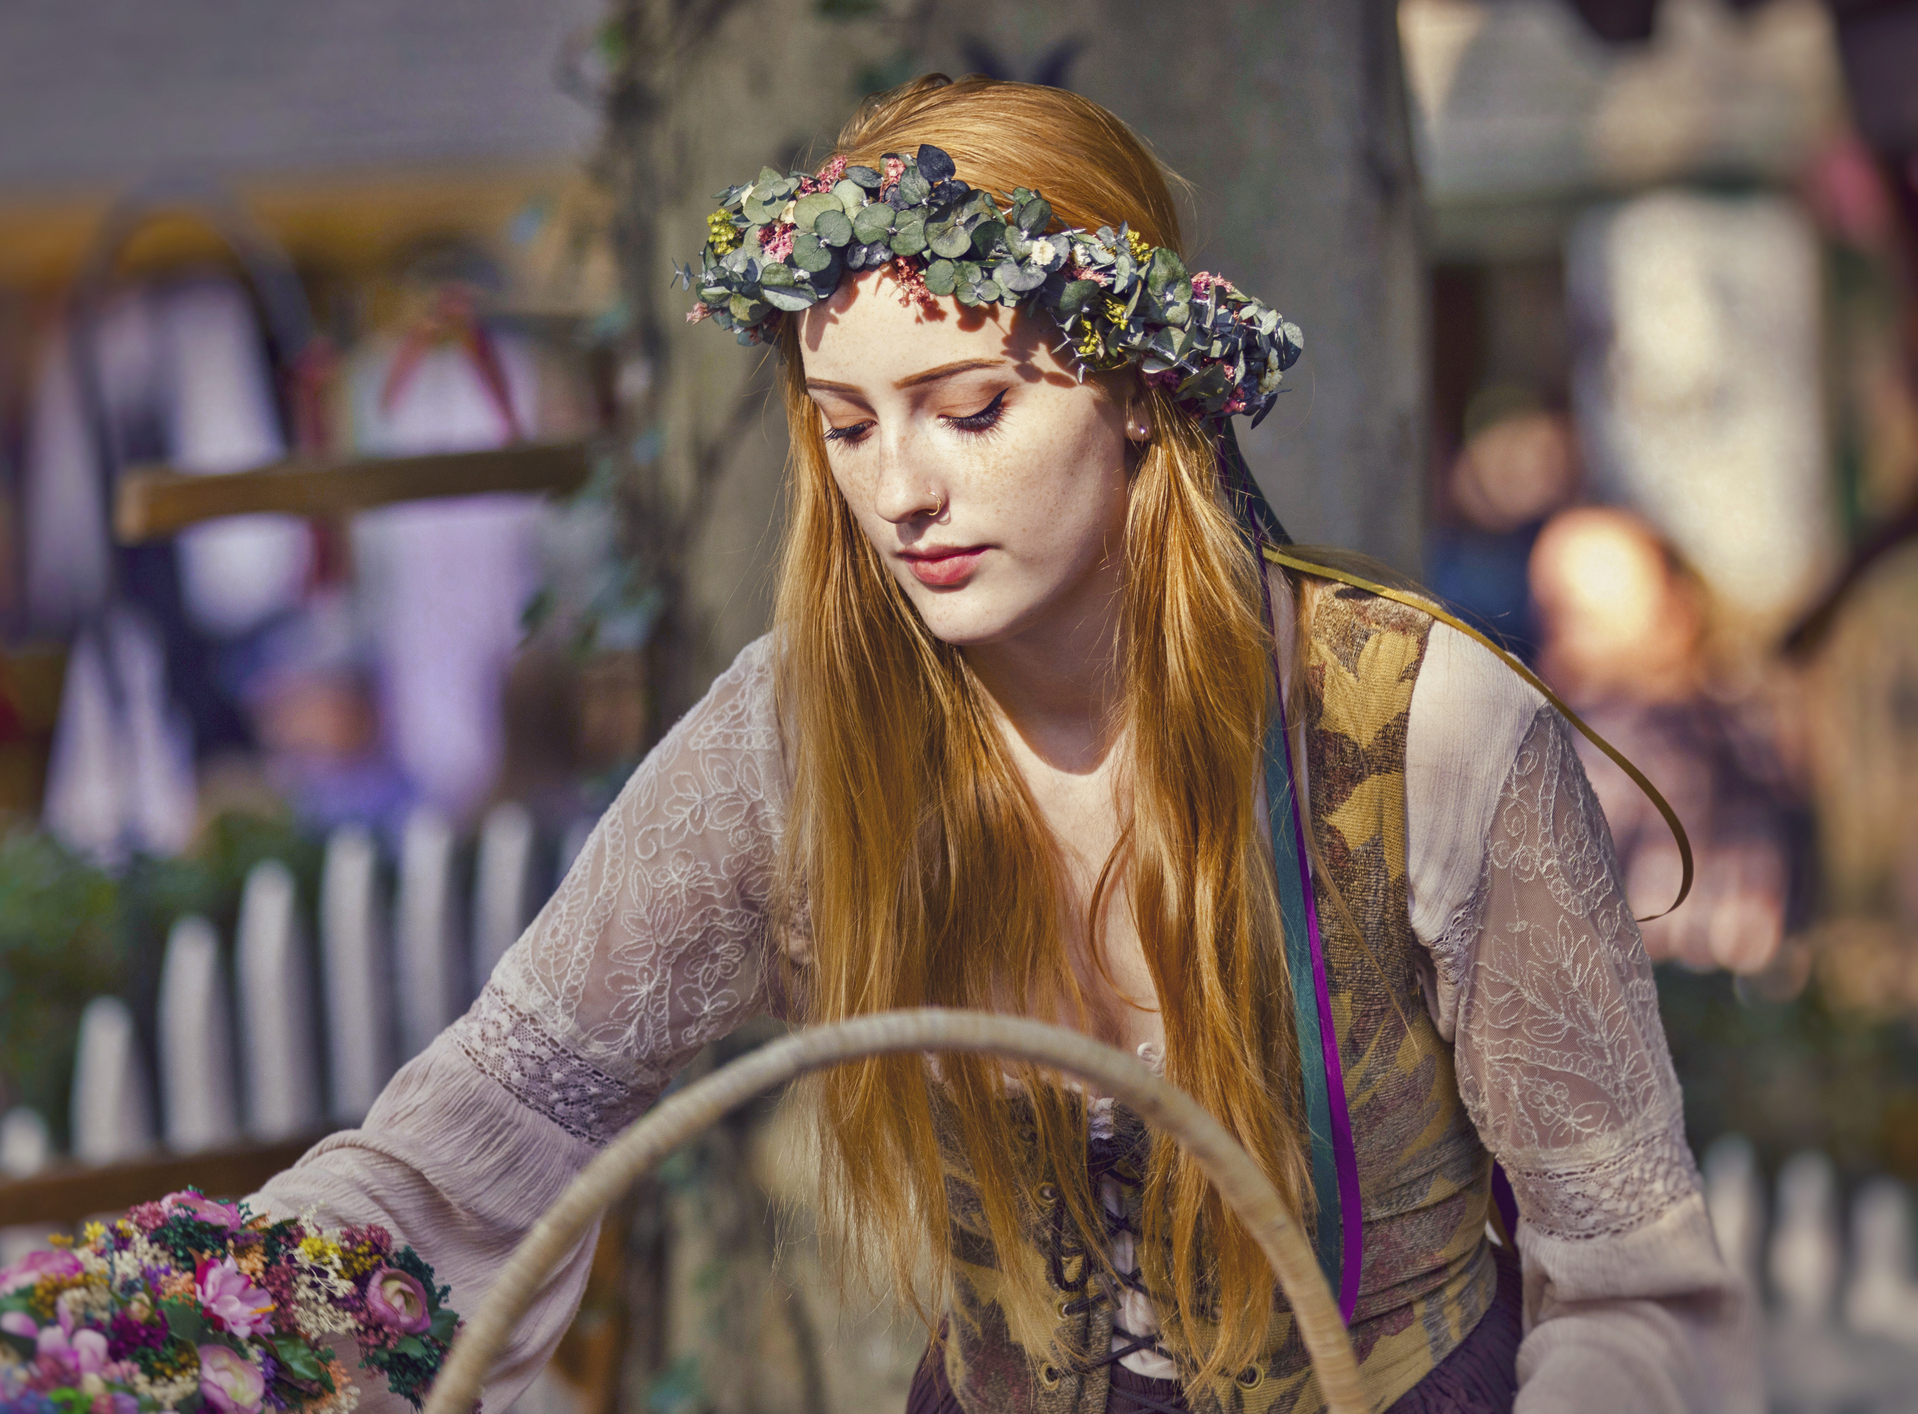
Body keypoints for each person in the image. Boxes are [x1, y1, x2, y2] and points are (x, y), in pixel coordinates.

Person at [257, 77, 1752, 1413]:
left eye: (967, 409)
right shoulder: (793, 737)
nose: (901, 488)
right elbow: (496, 1113)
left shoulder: (1421, 726)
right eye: (847, 427)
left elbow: (1627, 1278)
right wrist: (194, 1321)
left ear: (1139, 399)